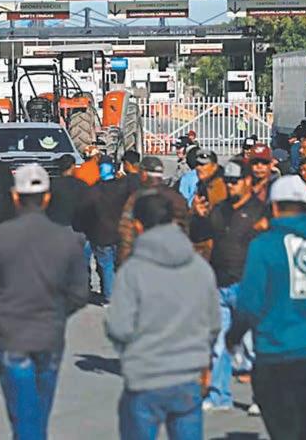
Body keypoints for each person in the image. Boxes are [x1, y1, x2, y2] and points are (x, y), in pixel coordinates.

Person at [0, 164, 89, 439]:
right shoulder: (65, 239)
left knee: (24, 420)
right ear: (47, 197)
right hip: (49, 336)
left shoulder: (0, 237)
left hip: (13, 336)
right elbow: (79, 293)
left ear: (16, 197)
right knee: (37, 418)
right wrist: (57, 313)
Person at [226, 176, 306, 440]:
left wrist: (233, 337)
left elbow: (249, 304)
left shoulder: (264, 246)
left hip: (277, 355)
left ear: (274, 208)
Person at [106, 192, 221, 440]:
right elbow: (213, 323)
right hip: (188, 375)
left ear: (138, 225)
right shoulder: (199, 267)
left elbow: (118, 327)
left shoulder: (133, 271)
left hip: (145, 375)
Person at [192, 161, 265, 412]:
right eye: (228, 181)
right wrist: (198, 217)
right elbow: (199, 235)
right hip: (220, 284)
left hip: (248, 285)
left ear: (247, 181)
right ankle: (218, 395)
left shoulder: (259, 211)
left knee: (252, 345)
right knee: (219, 344)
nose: (231, 186)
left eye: (235, 181)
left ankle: (260, 397)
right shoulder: (220, 209)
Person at [117, 156, 189, 267]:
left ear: (144, 174)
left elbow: (126, 232)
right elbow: (185, 228)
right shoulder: (176, 197)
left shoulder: (136, 198)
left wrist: (123, 263)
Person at [81, 159, 131, 304]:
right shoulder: (122, 189)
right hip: (120, 232)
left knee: (106, 265)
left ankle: (109, 295)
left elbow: (85, 213)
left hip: (101, 234)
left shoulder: (93, 191)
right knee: (119, 264)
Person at [189, 150, 227, 261]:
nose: (199, 168)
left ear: (214, 166)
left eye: (203, 165)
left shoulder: (219, 185)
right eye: (197, 164)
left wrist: (200, 213)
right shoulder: (204, 184)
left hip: (212, 245)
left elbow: (220, 218)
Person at [46, 154, 89, 229]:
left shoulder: (52, 184)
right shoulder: (82, 185)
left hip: (56, 225)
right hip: (76, 226)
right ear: (73, 166)